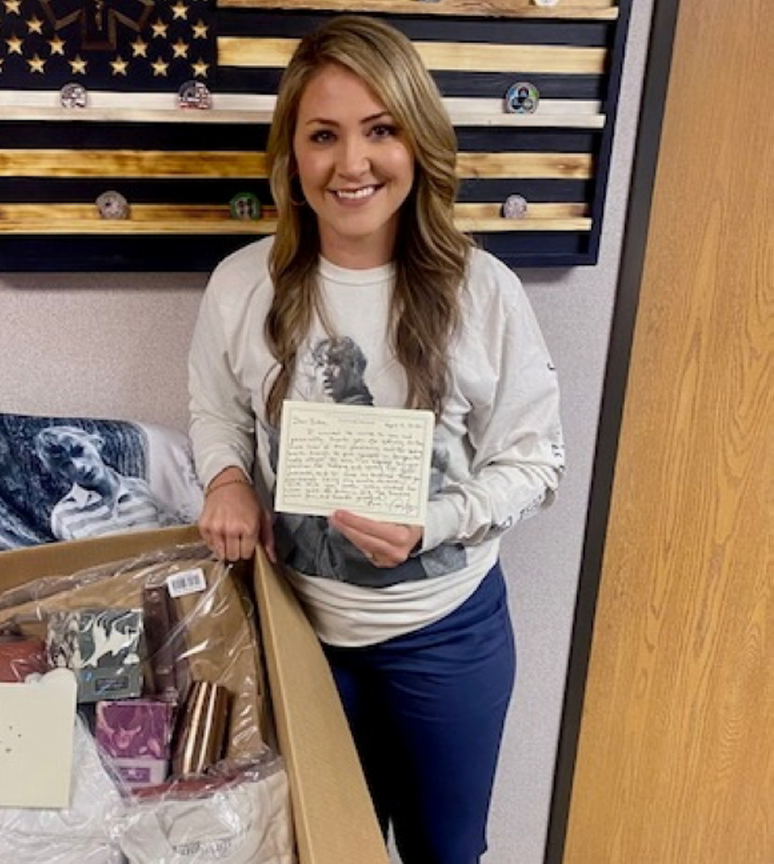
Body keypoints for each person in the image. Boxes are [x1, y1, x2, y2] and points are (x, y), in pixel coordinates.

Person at [187, 15, 564, 864]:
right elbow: (216, 411)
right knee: (328, 850)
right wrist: (226, 482)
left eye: (380, 130)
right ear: (292, 156)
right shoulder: (241, 285)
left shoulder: (484, 292)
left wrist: (431, 523)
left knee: (446, 852)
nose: (351, 164)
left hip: (446, 634)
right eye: (323, 135)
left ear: (418, 142)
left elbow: (538, 463)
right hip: (299, 633)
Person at [34, 425, 169, 540]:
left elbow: (175, 540)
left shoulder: (142, 488)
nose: (79, 466)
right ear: (59, 473)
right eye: (65, 465)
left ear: (95, 443)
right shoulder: (64, 515)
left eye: (79, 451)